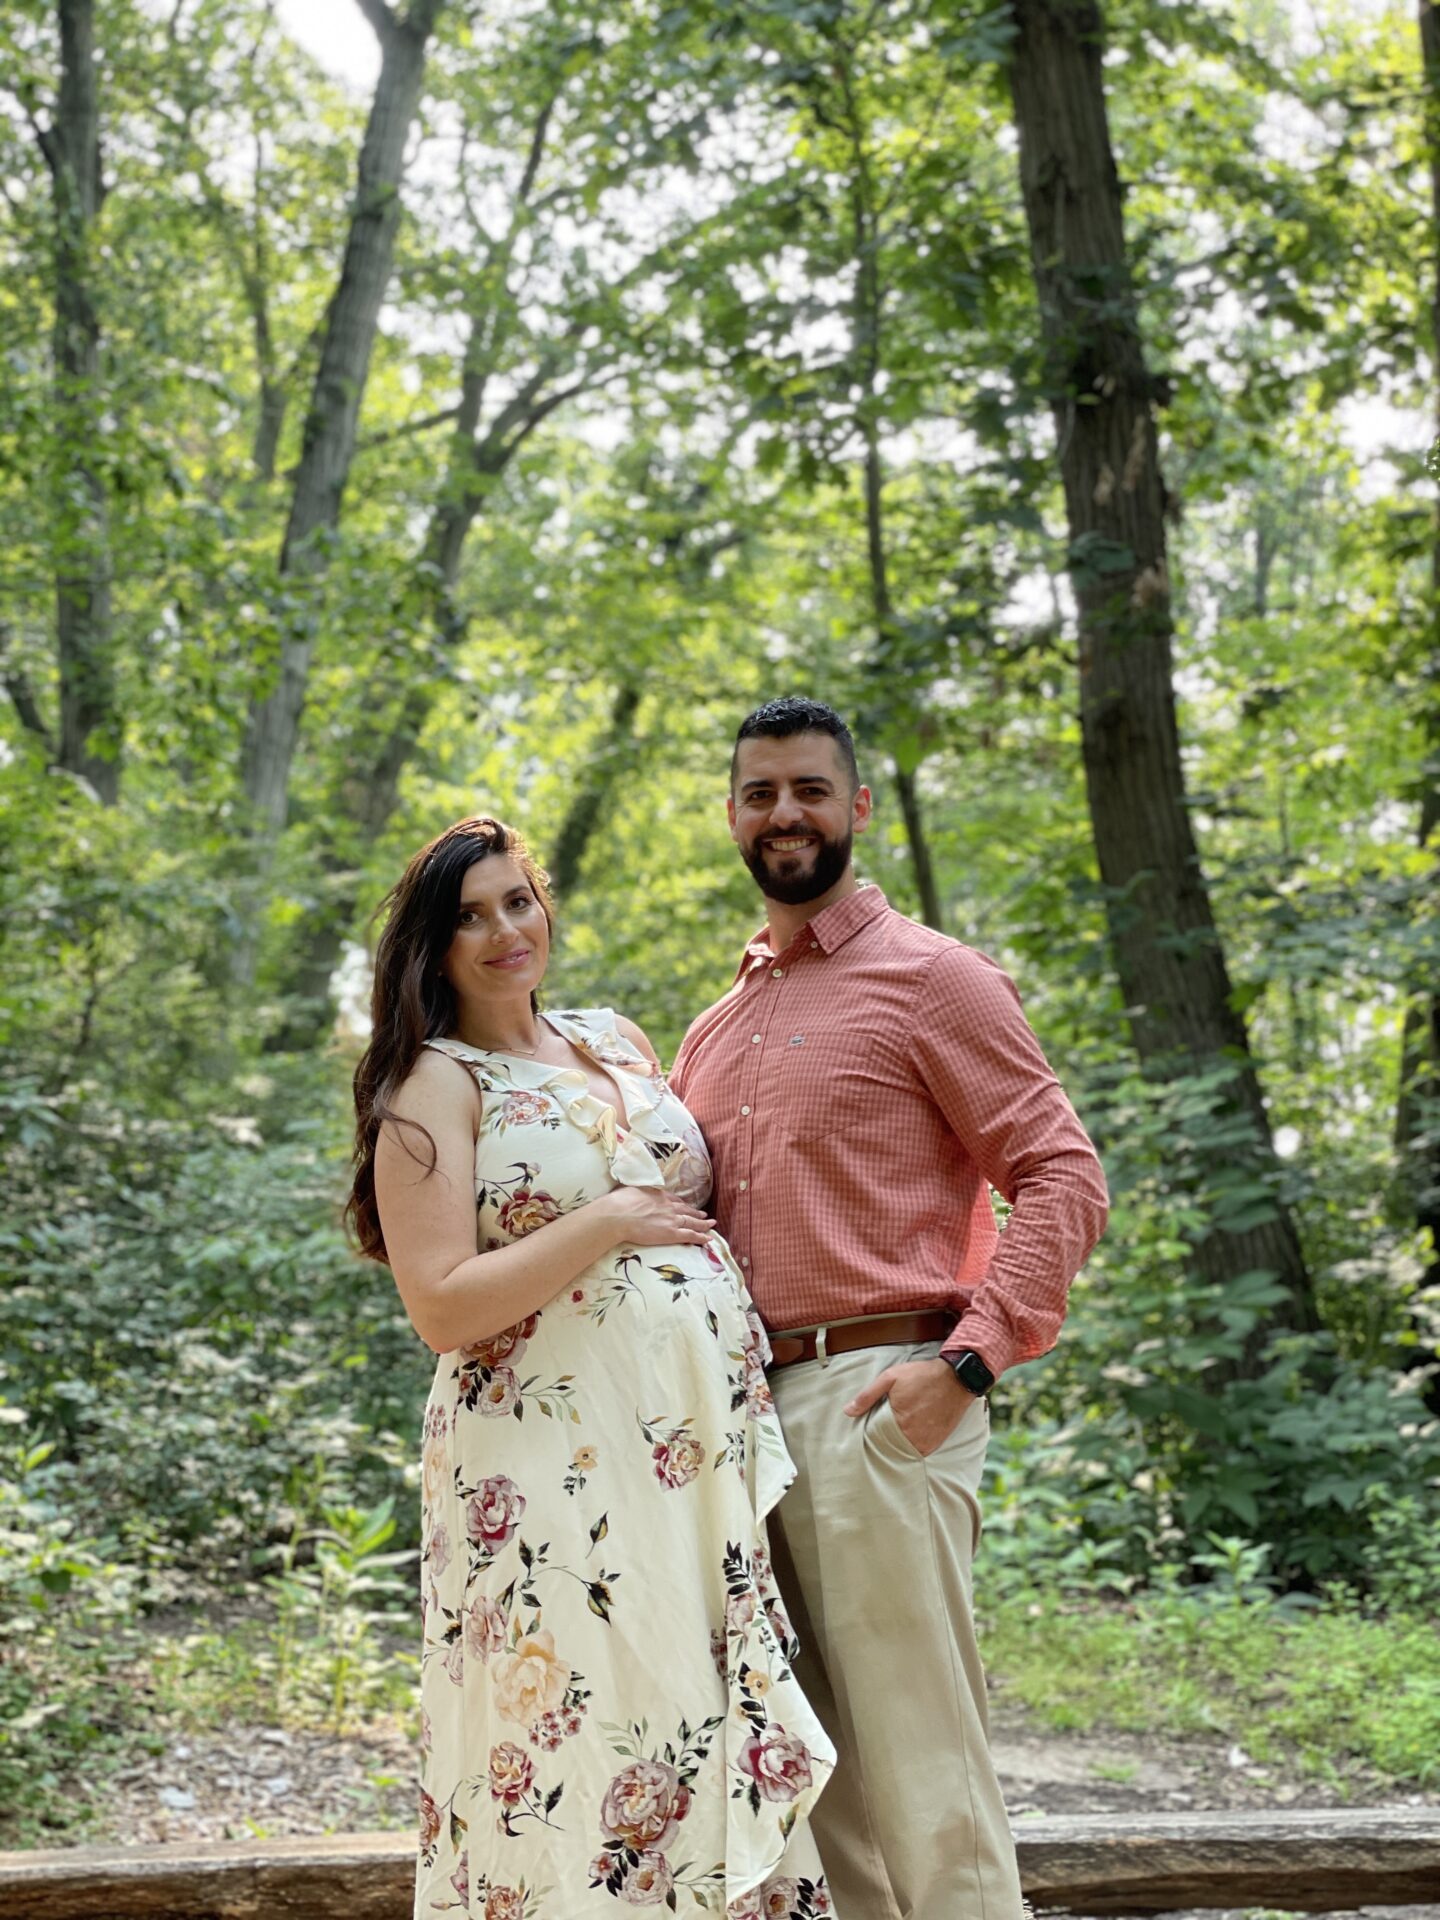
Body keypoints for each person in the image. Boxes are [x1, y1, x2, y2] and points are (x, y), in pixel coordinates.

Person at [346, 815, 836, 1920]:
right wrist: (608, 1219)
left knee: (688, 1704)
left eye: (517, 901)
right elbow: (440, 1305)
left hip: (679, 1461)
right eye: (468, 917)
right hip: (541, 1472)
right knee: (580, 1724)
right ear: (432, 947)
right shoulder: (433, 1085)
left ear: (545, 903)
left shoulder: (613, 1038)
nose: (502, 931)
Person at [670, 699, 1110, 1920]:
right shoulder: (716, 1028)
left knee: (923, 1762)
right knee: (818, 1785)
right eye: (760, 793)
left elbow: (1064, 1175)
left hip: (881, 1402)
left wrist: (964, 1366)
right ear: (732, 816)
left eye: (810, 789)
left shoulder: (934, 980)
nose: (784, 814)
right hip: (743, 1432)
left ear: (857, 807)